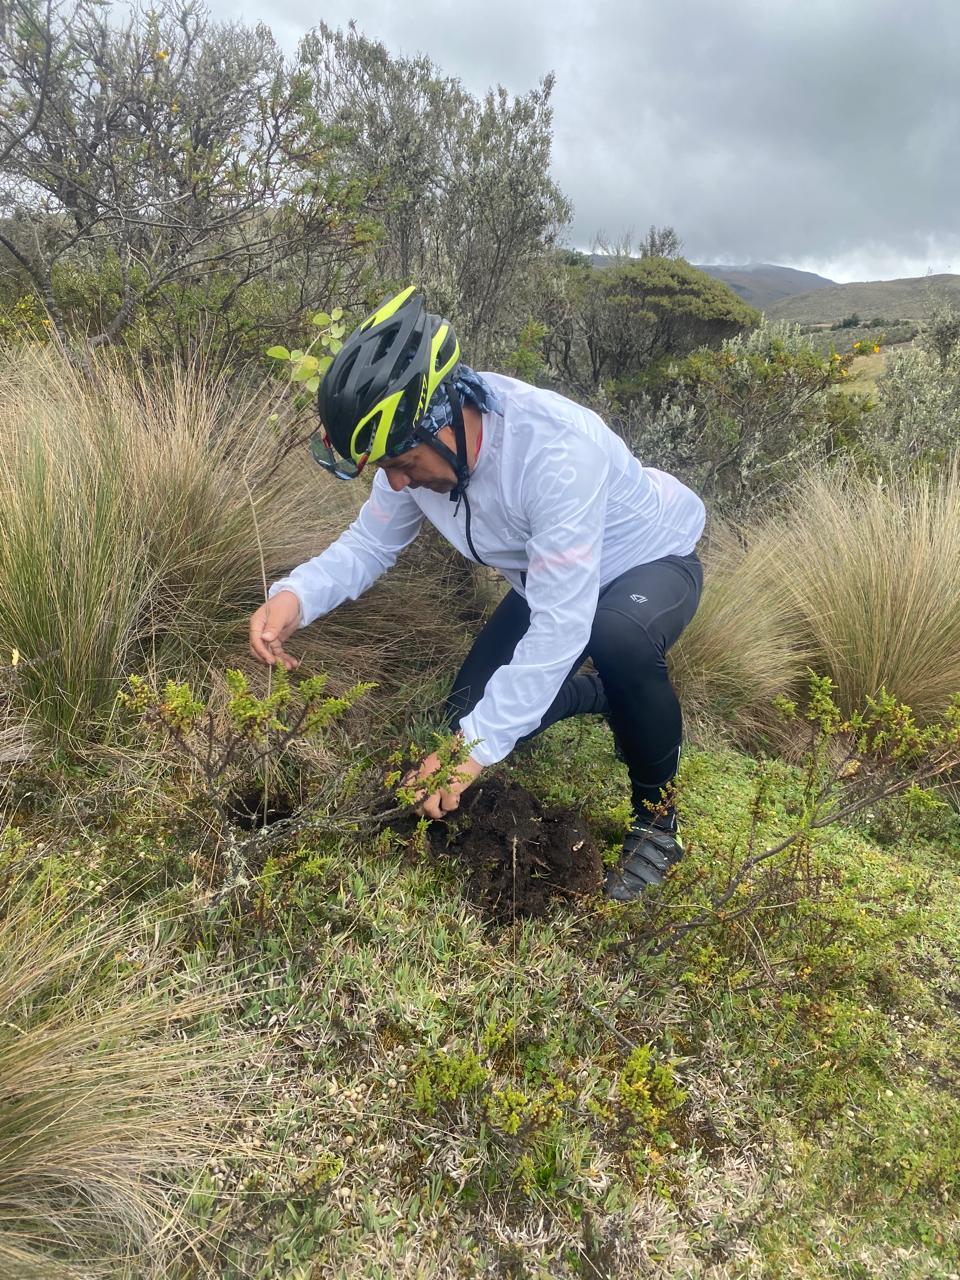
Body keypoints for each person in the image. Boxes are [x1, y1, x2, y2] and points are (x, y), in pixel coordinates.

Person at [248, 287, 705, 902]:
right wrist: (294, 597)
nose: (398, 482)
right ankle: (604, 695)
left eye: (403, 463)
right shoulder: (413, 450)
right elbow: (370, 544)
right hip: (550, 577)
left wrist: (473, 753)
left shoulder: (555, 454)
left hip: (649, 560)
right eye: (384, 468)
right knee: (461, 717)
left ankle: (657, 823)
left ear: (446, 422)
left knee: (613, 639)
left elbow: (562, 624)